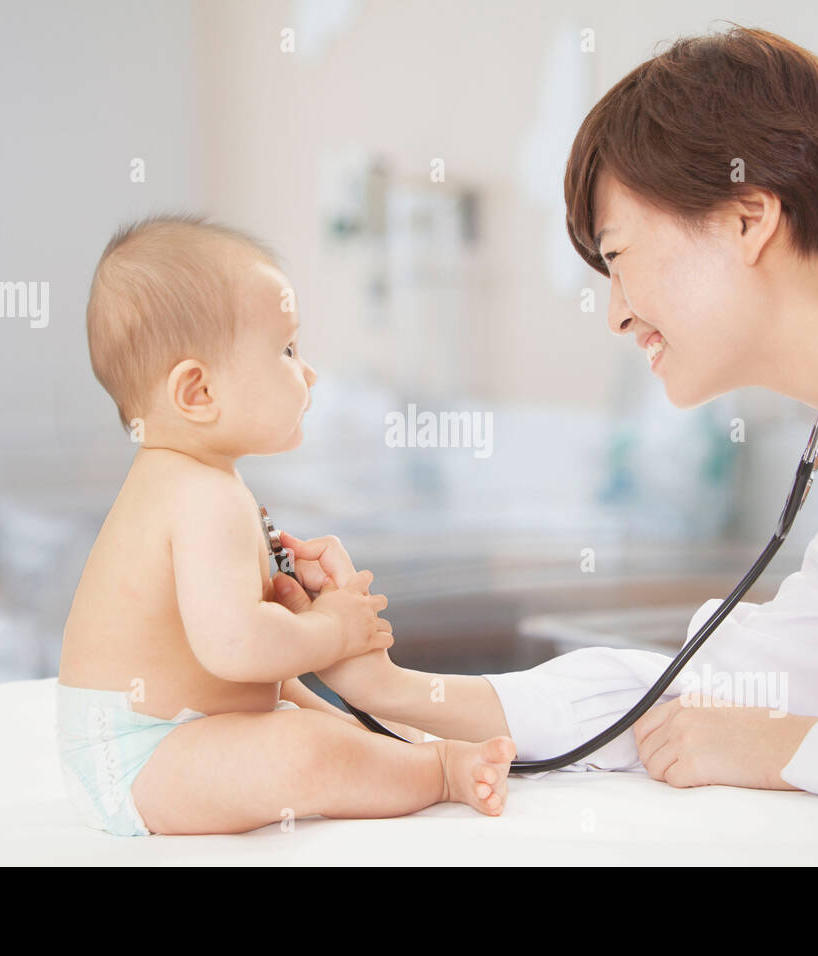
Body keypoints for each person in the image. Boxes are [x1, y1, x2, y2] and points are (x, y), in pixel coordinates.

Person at [296, 27, 818, 853]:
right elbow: (709, 694)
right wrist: (385, 685)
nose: (616, 313)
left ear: (749, 218)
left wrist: (790, 751)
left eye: (619, 255)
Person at [55, 215, 514, 836]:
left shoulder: (205, 481)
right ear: (198, 392)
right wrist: (330, 630)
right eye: (288, 350)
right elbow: (237, 646)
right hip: (140, 757)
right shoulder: (199, 495)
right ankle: (438, 771)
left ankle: (404, 751)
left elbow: (243, 661)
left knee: (315, 721)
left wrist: (300, 630)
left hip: (186, 729)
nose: (309, 372)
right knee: (301, 751)